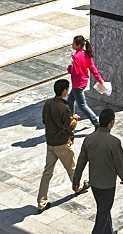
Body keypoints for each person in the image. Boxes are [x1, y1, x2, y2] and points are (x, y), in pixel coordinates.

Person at [72, 107, 123, 234]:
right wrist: (122, 175)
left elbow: (81, 162)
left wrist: (76, 181)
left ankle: (109, 231)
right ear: (111, 122)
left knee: (103, 209)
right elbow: (119, 162)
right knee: (102, 214)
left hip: (95, 184)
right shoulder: (114, 142)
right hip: (108, 185)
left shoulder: (89, 139)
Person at [37, 79, 82, 214]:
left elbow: (45, 120)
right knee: (72, 167)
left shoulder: (48, 103)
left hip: (50, 143)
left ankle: (41, 202)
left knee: (47, 173)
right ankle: (78, 187)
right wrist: (75, 119)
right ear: (64, 91)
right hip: (62, 143)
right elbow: (69, 126)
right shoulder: (64, 107)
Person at [67, 35, 103, 127]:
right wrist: (99, 79)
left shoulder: (76, 56)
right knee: (70, 100)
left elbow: (76, 72)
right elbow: (92, 68)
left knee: (82, 105)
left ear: (78, 46)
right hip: (83, 82)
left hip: (77, 84)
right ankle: (70, 117)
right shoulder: (86, 54)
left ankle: (96, 122)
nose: (72, 44)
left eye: (74, 43)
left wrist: (69, 69)